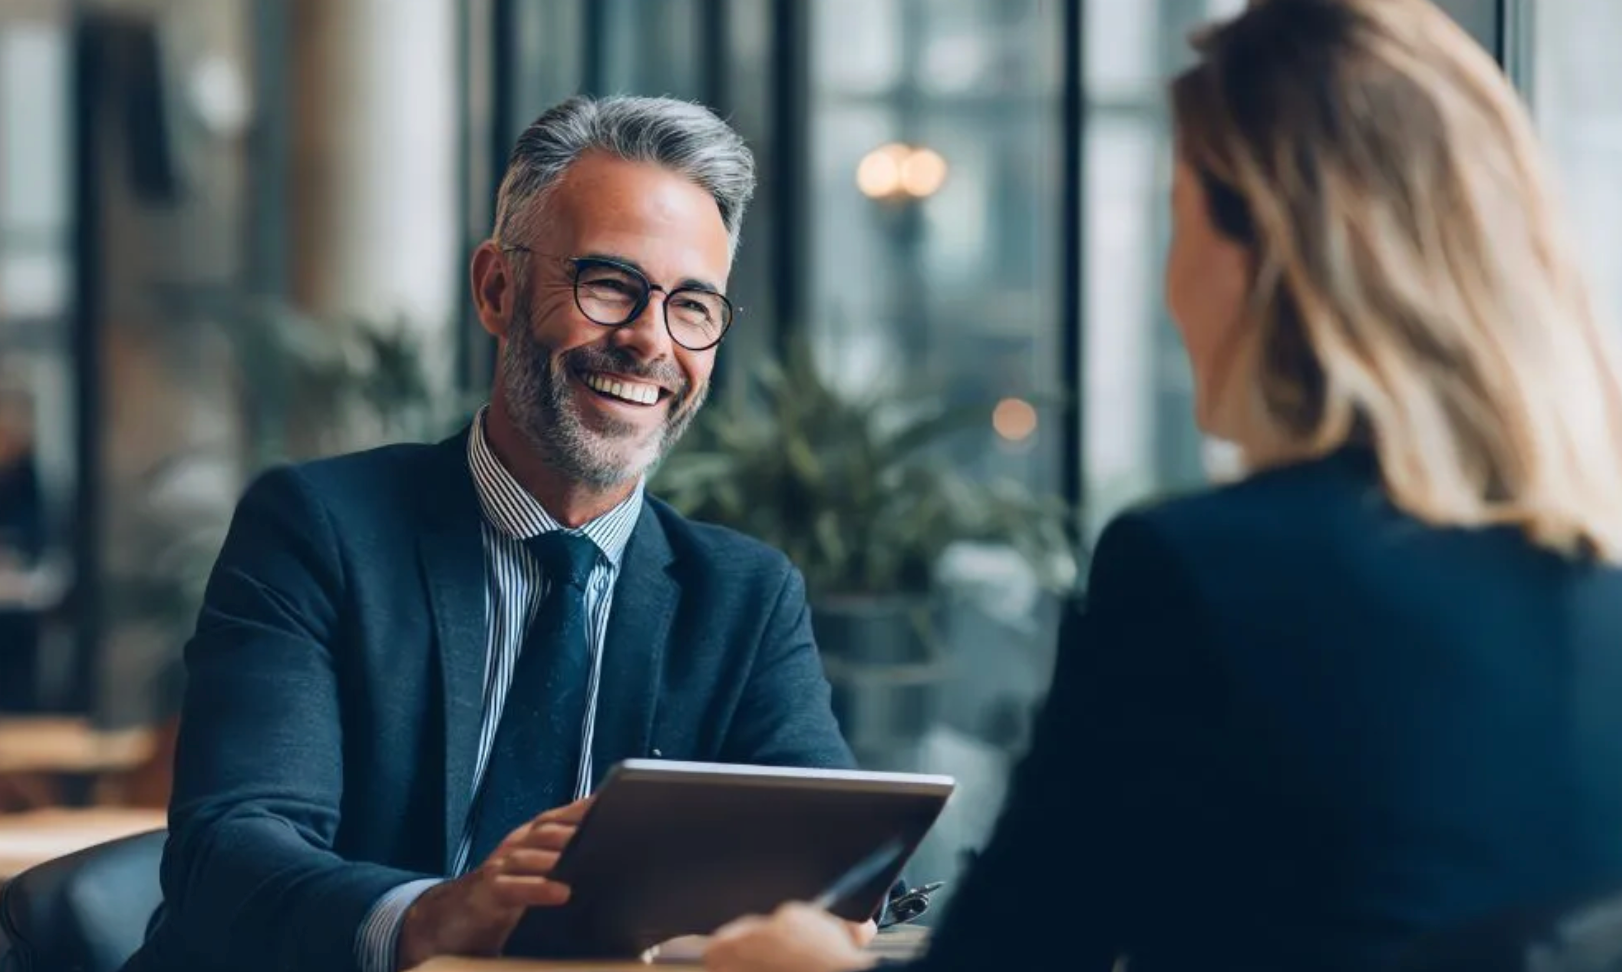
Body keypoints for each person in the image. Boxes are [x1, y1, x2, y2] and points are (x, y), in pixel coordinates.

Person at [702, 1, 1622, 971]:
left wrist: (791, 962)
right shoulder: (1598, 592)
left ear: (1262, 251)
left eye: (1174, 217)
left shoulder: (1206, 576)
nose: (1166, 282)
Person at [124, 95, 875, 972]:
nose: (648, 340)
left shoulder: (745, 597)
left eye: (693, 307)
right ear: (497, 288)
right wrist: (435, 917)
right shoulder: (319, 531)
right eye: (609, 285)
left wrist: (834, 904)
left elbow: (831, 864)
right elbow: (230, 852)